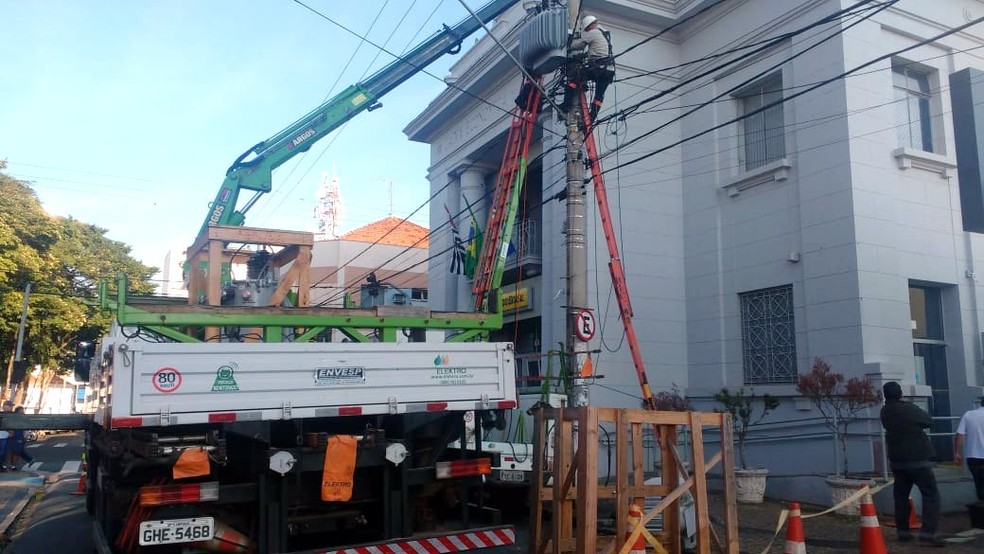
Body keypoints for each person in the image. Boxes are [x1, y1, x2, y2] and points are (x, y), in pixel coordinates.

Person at [879, 381, 943, 547]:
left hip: (897, 460)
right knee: (930, 495)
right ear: (900, 393)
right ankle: (928, 533)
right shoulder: (908, 409)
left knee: (900, 497)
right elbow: (929, 421)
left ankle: (903, 532)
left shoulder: (885, 411)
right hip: (917, 458)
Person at [560, 15, 615, 121]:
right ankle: (591, 117)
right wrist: (585, 55)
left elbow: (578, 45)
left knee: (573, 79)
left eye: (587, 29)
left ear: (590, 25)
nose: (587, 30)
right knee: (599, 96)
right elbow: (598, 50)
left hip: (598, 68)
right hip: (609, 70)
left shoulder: (593, 32)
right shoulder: (605, 34)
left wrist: (566, 44)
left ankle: (566, 105)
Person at [955, 395, 984, 502]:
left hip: (973, 456)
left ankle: (981, 508)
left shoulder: (969, 415)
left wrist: (957, 453)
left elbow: (959, 434)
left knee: (978, 483)